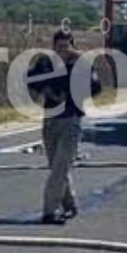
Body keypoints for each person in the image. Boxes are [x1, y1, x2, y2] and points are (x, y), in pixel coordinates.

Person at [27, 29, 100, 224]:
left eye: (66, 47)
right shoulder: (45, 63)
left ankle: (50, 211)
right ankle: (70, 204)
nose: (62, 51)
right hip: (50, 121)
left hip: (71, 121)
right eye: (58, 47)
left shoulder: (80, 64)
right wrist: (47, 88)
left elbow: (95, 86)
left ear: (72, 47)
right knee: (56, 167)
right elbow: (31, 80)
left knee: (60, 167)